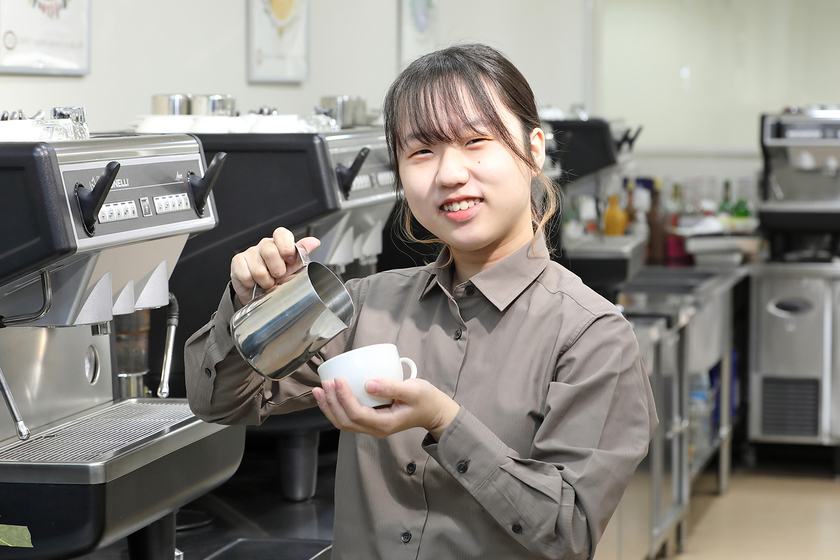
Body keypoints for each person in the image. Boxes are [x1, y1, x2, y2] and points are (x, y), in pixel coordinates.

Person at [185, 43, 657, 559]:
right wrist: (249, 303)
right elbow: (222, 402)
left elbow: (567, 533)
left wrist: (444, 424)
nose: (451, 174)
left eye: (478, 141)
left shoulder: (593, 335)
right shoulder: (365, 305)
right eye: (422, 151)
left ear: (534, 150)